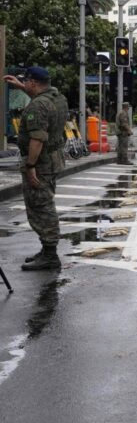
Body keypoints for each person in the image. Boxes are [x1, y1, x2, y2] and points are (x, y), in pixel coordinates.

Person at [3, 67, 69, 271]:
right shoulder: (58, 98)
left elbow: (38, 138)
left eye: (26, 82)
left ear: (33, 82)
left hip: (40, 163)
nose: (25, 84)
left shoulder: (37, 106)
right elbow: (43, 100)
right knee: (44, 203)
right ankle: (47, 250)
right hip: (53, 160)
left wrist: (30, 165)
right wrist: (21, 86)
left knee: (41, 207)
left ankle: (50, 255)